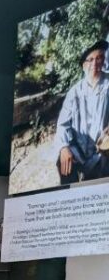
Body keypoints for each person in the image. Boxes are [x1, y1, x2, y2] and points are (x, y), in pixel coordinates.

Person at [54, 39, 109, 185]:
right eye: (90, 59)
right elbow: (62, 124)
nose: (95, 63)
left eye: (99, 58)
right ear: (84, 65)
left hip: (103, 150)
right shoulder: (75, 92)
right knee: (63, 161)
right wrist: (64, 147)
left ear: (104, 60)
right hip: (79, 150)